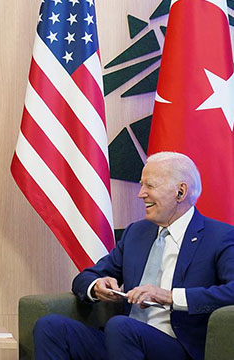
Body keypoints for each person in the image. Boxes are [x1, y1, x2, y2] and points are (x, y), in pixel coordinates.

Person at [33, 151, 234, 360]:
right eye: (141, 185)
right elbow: (86, 277)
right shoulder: (136, 233)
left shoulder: (219, 236)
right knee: (50, 326)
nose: (141, 194)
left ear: (180, 192)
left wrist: (171, 297)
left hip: (177, 346)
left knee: (121, 326)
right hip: (122, 339)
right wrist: (97, 286)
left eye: (150, 186)